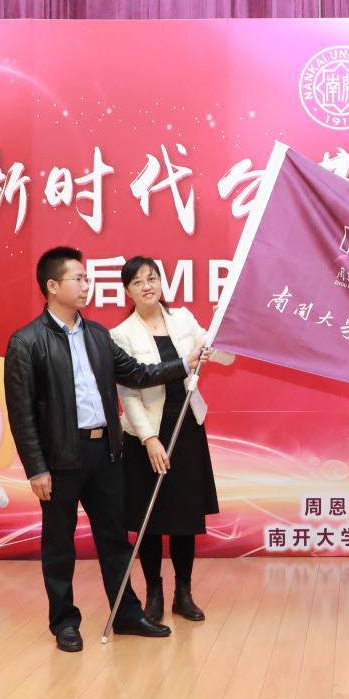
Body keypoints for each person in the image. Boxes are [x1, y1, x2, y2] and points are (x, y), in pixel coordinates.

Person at [3, 246, 206, 652]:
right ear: (52, 286)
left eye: (86, 278)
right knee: (59, 545)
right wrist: (36, 468)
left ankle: (127, 614)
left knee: (115, 540)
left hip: (106, 455)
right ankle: (64, 622)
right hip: (60, 459)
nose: (86, 285)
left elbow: (137, 373)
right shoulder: (26, 342)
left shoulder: (97, 335)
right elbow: (21, 413)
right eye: (78, 278)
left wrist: (183, 365)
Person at [109, 256, 234, 625]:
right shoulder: (122, 333)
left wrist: (226, 325)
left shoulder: (183, 319)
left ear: (161, 282)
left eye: (152, 278)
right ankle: (154, 593)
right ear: (128, 291)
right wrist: (148, 438)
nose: (147, 286)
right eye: (137, 282)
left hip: (186, 427)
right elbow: (128, 393)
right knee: (148, 520)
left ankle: (184, 593)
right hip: (146, 436)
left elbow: (224, 357)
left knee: (183, 516)